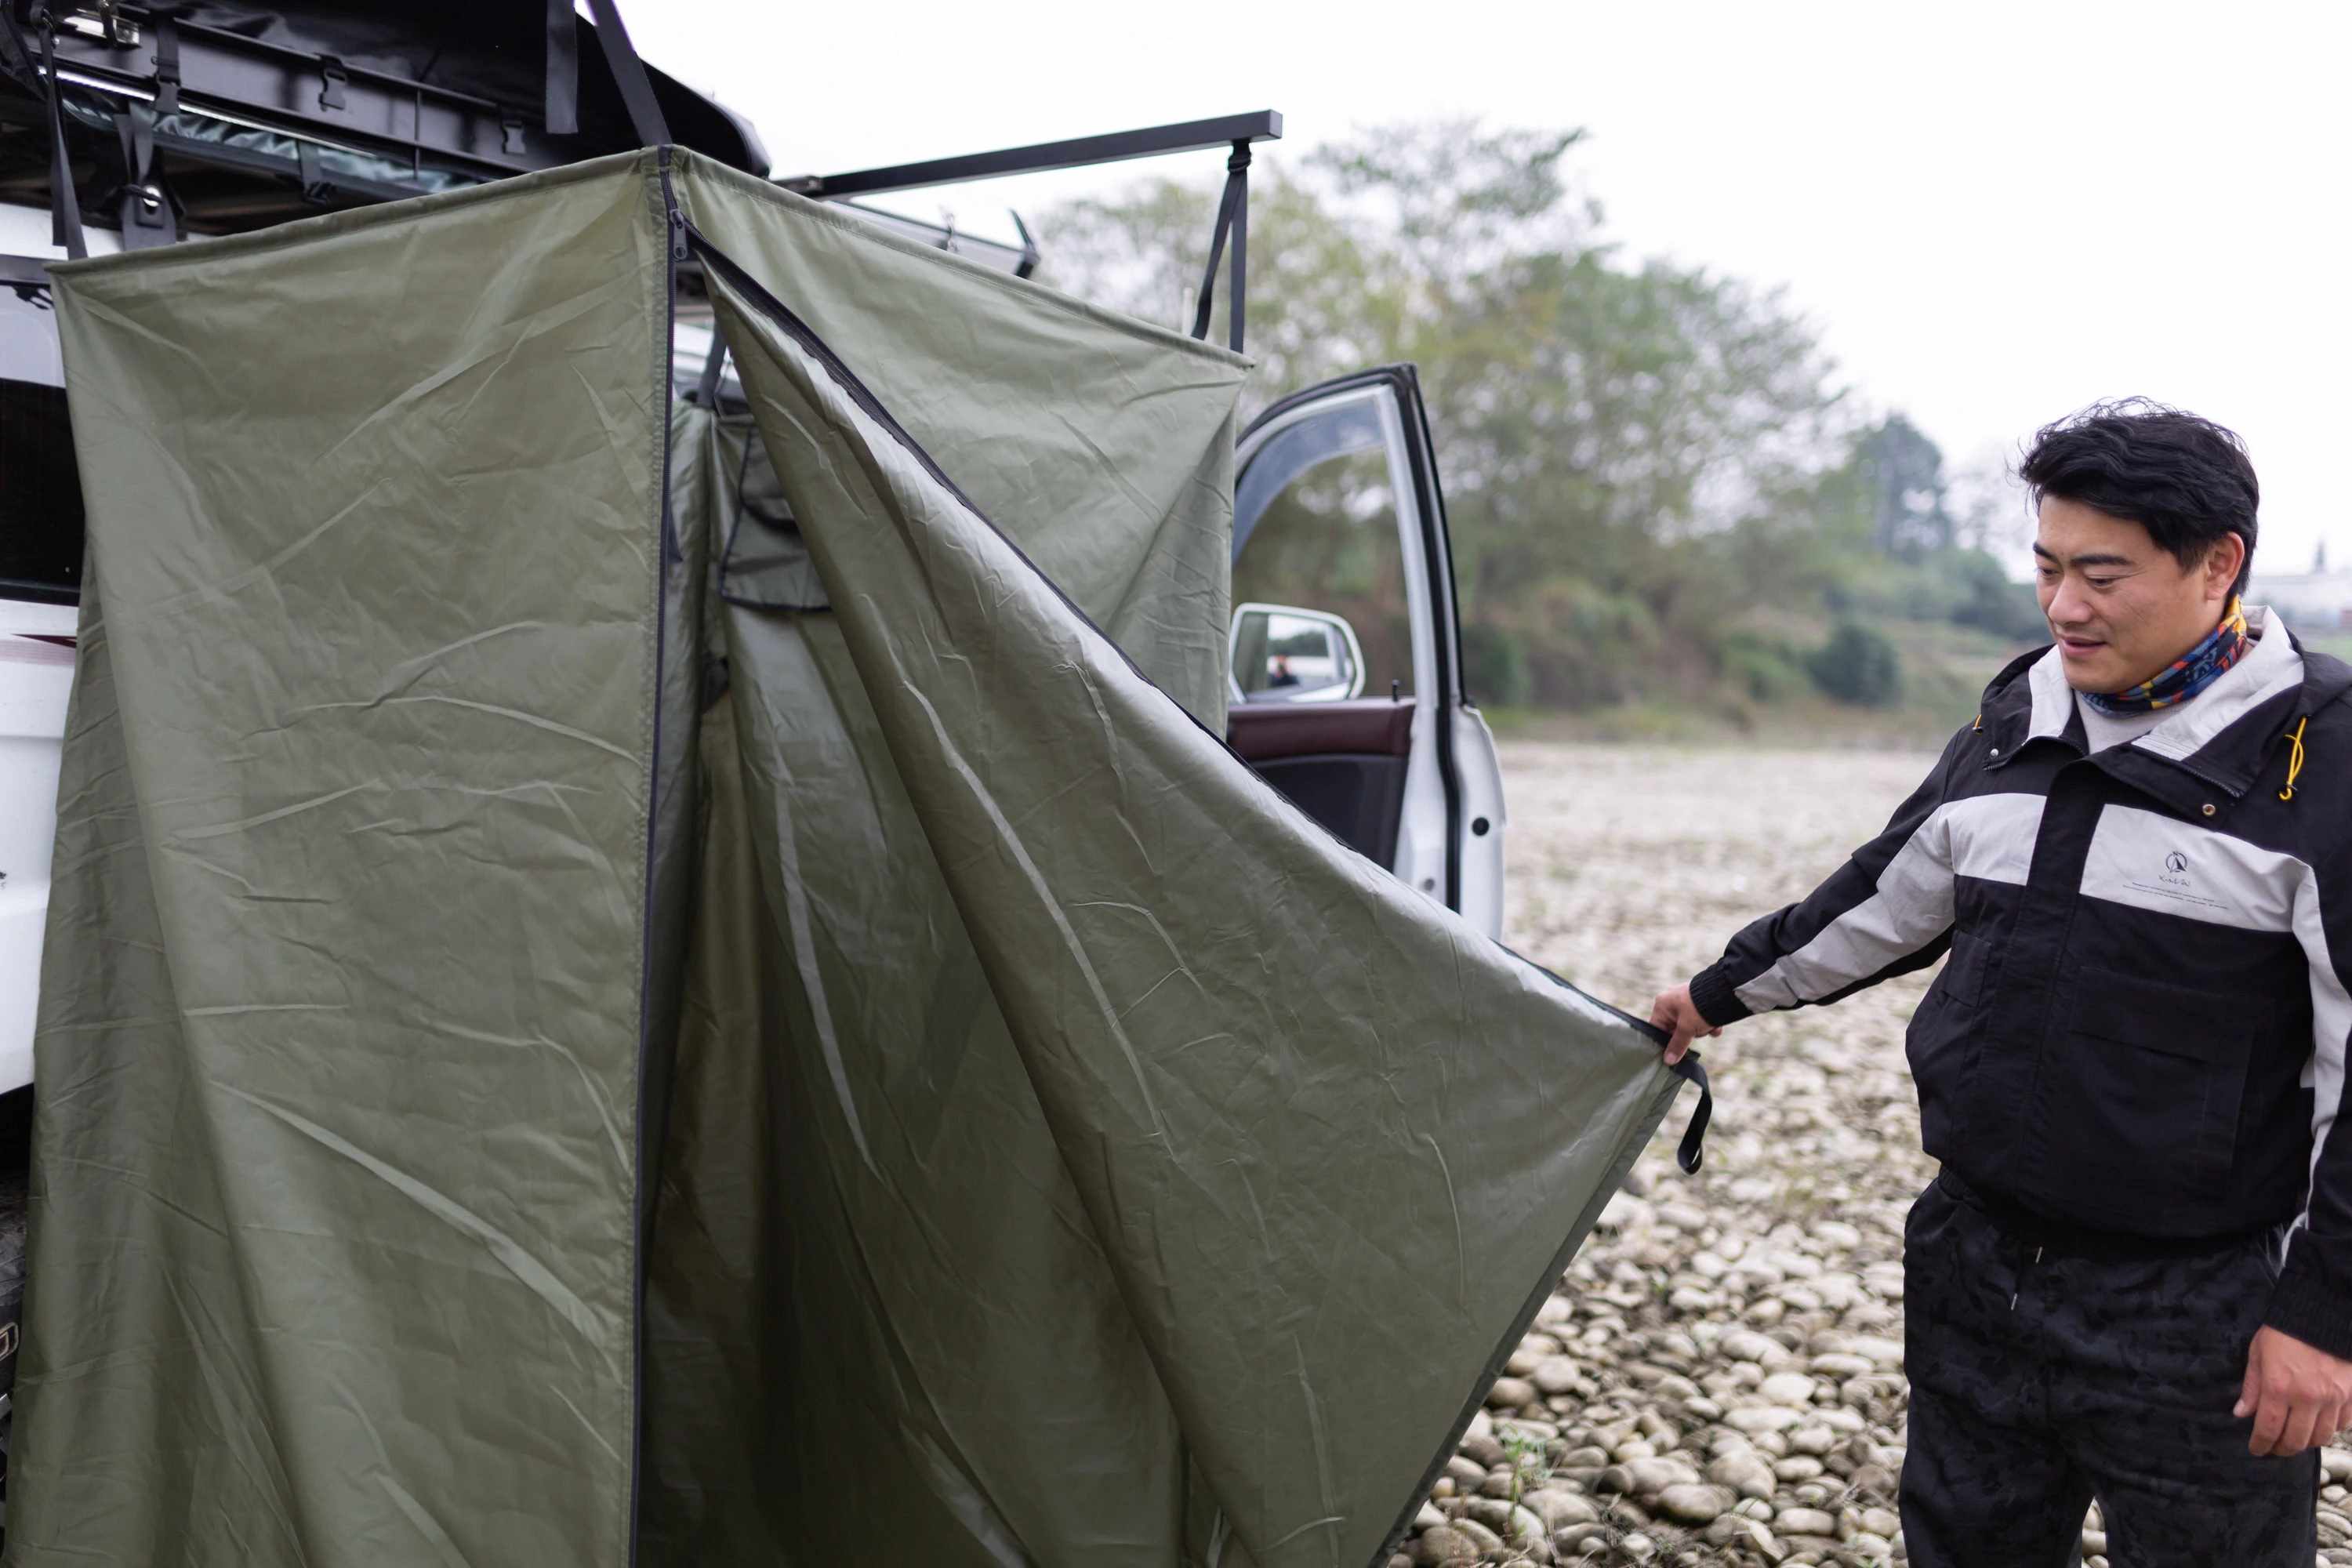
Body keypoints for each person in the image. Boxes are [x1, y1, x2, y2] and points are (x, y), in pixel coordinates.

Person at [1650, 401, 2352, 1566]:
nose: (2065, 606)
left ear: (2219, 565)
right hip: (1975, 1261)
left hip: (2199, 1309)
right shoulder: (2022, 704)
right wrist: (1720, 992)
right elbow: (1889, 889)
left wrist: (2322, 1318)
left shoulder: (2320, 757)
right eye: (2046, 567)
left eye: (2102, 575)